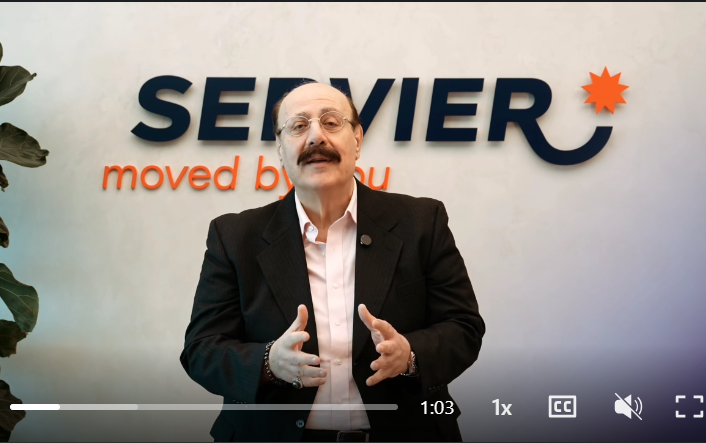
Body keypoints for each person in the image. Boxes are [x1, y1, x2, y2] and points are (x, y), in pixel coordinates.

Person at [180, 82, 485, 442]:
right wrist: (267, 363)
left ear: (357, 139)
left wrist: (410, 354)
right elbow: (202, 349)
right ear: (280, 148)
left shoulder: (421, 222)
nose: (315, 137)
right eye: (298, 126)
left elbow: (463, 326)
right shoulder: (234, 235)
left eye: (330, 122)